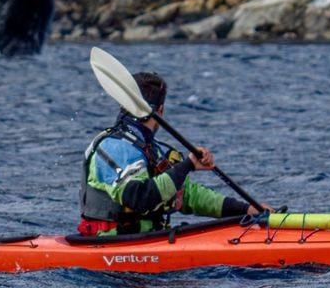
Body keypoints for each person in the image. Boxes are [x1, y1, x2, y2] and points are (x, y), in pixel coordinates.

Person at [78, 71, 267, 236]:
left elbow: (187, 196)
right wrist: (187, 166)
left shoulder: (153, 149)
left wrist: (247, 209)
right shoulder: (114, 147)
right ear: (160, 109)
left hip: (149, 241)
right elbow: (139, 197)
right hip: (112, 252)